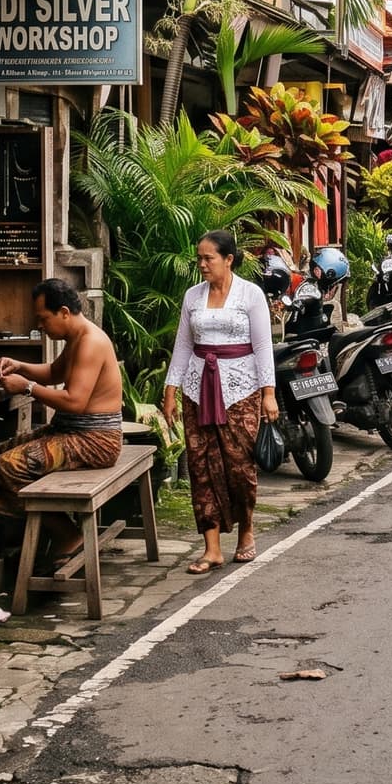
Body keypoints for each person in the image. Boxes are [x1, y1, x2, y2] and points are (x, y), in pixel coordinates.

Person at [0, 280, 125, 564]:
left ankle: (68, 535)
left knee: (9, 466)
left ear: (65, 312)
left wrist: (27, 388)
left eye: (44, 318)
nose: (41, 326)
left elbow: (74, 401)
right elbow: (54, 373)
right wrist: (20, 366)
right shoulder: (76, 338)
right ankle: (26, 535)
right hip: (70, 431)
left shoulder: (90, 342)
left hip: (95, 441)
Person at [162, 230, 278, 574]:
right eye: (198, 258)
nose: (201, 264)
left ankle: (246, 531)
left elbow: (263, 346)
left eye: (208, 258)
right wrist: (171, 389)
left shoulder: (250, 295)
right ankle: (211, 548)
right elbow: (183, 346)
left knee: (239, 466)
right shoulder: (192, 297)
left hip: (241, 390)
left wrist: (268, 393)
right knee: (201, 466)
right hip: (198, 390)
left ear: (228, 259)